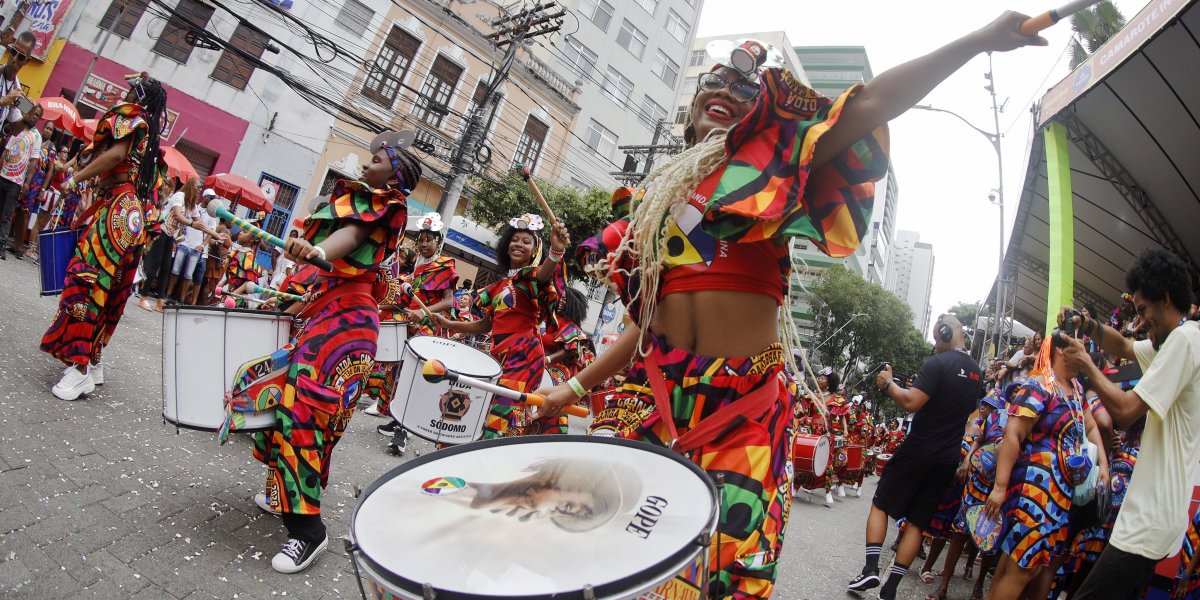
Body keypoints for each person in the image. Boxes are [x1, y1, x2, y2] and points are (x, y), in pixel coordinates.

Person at [536, 13, 1044, 597]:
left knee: (725, 572)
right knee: (617, 560)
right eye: (715, 83)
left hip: (741, 409)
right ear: (692, 104)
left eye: (744, 89)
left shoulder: (775, 167)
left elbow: (875, 101)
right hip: (655, 400)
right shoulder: (650, 204)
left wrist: (978, 40)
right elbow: (643, 325)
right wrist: (571, 390)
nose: (726, 91)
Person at [220, 130, 415, 574]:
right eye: (369, 159)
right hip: (328, 318)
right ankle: (282, 492)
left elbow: (347, 236)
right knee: (276, 402)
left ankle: (308, 532)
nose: (368, 166)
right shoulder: (367, 201)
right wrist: (291, 289)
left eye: (378, 160)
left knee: (306, 418)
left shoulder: (388, 205)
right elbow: (333, 265)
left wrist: (315, 250)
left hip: (346, 329)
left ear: (397, 171)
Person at [1059, 248, 1200, 599]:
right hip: (1155, 518)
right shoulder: (1172, 343)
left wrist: (1087, 366)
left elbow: (1124, 412)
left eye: (1142, 310)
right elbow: (1122, 344)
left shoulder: (1185, 340)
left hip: (1148, 521)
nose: (1138, 321)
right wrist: (1086, 324)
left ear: (1165, 298)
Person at [40, 75, 169, 399]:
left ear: (136, 94)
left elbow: (114, 156)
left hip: (116, 209)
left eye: (129, 89)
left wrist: (76, 178)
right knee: (109, 288)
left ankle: (80, 367)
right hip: (129, 214)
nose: (123, 93)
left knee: (87, 281)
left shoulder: (131, 119)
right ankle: (94, 360)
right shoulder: (150, 138)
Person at [850, 314, 984, 598]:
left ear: (947, 333)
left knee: (880, 503)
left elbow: (911, 402)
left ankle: (871, 569)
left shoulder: (938, 363)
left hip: (919, 448)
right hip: (946, 458)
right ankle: (890, 589)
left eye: (937, 337)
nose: (935, 344)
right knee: (918, 523)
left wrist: (887, 383)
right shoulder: (977, 373)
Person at [984, 334, 1108, 600]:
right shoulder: (1039, 385)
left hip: (1058, 498)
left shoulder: (1074, 390)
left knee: (1025, 567)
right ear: (1061, 351)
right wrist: (1000, 487)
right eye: (1079, 348)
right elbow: (1012, 434)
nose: (1086, 352)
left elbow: (1092, 426)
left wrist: (1104, 466)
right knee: (1021, 568)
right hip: (1033, 494)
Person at [435, 214, 568, 437]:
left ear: (535, 251)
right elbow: (486, 325)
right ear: (507, 247)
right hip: (500, 354)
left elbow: (545, 274)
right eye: (515, 239)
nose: (519, 244)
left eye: (527, 241)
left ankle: (491, 455)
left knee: (500, 413)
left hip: (524, 354)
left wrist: (556, 251)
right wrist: (450, 323)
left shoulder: (530, 279)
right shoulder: (497, 287)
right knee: (483, 408)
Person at [0, 103, 40, 259]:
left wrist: (27, 182)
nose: (33, 116)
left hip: (16, 181)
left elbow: (33, 162)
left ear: (38, 119)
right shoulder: (19, 129)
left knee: (7, 214)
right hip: (3, 174)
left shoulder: (36, 136)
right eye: (32, 113)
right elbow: (6, 151)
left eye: (37, 115)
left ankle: (1, 244)